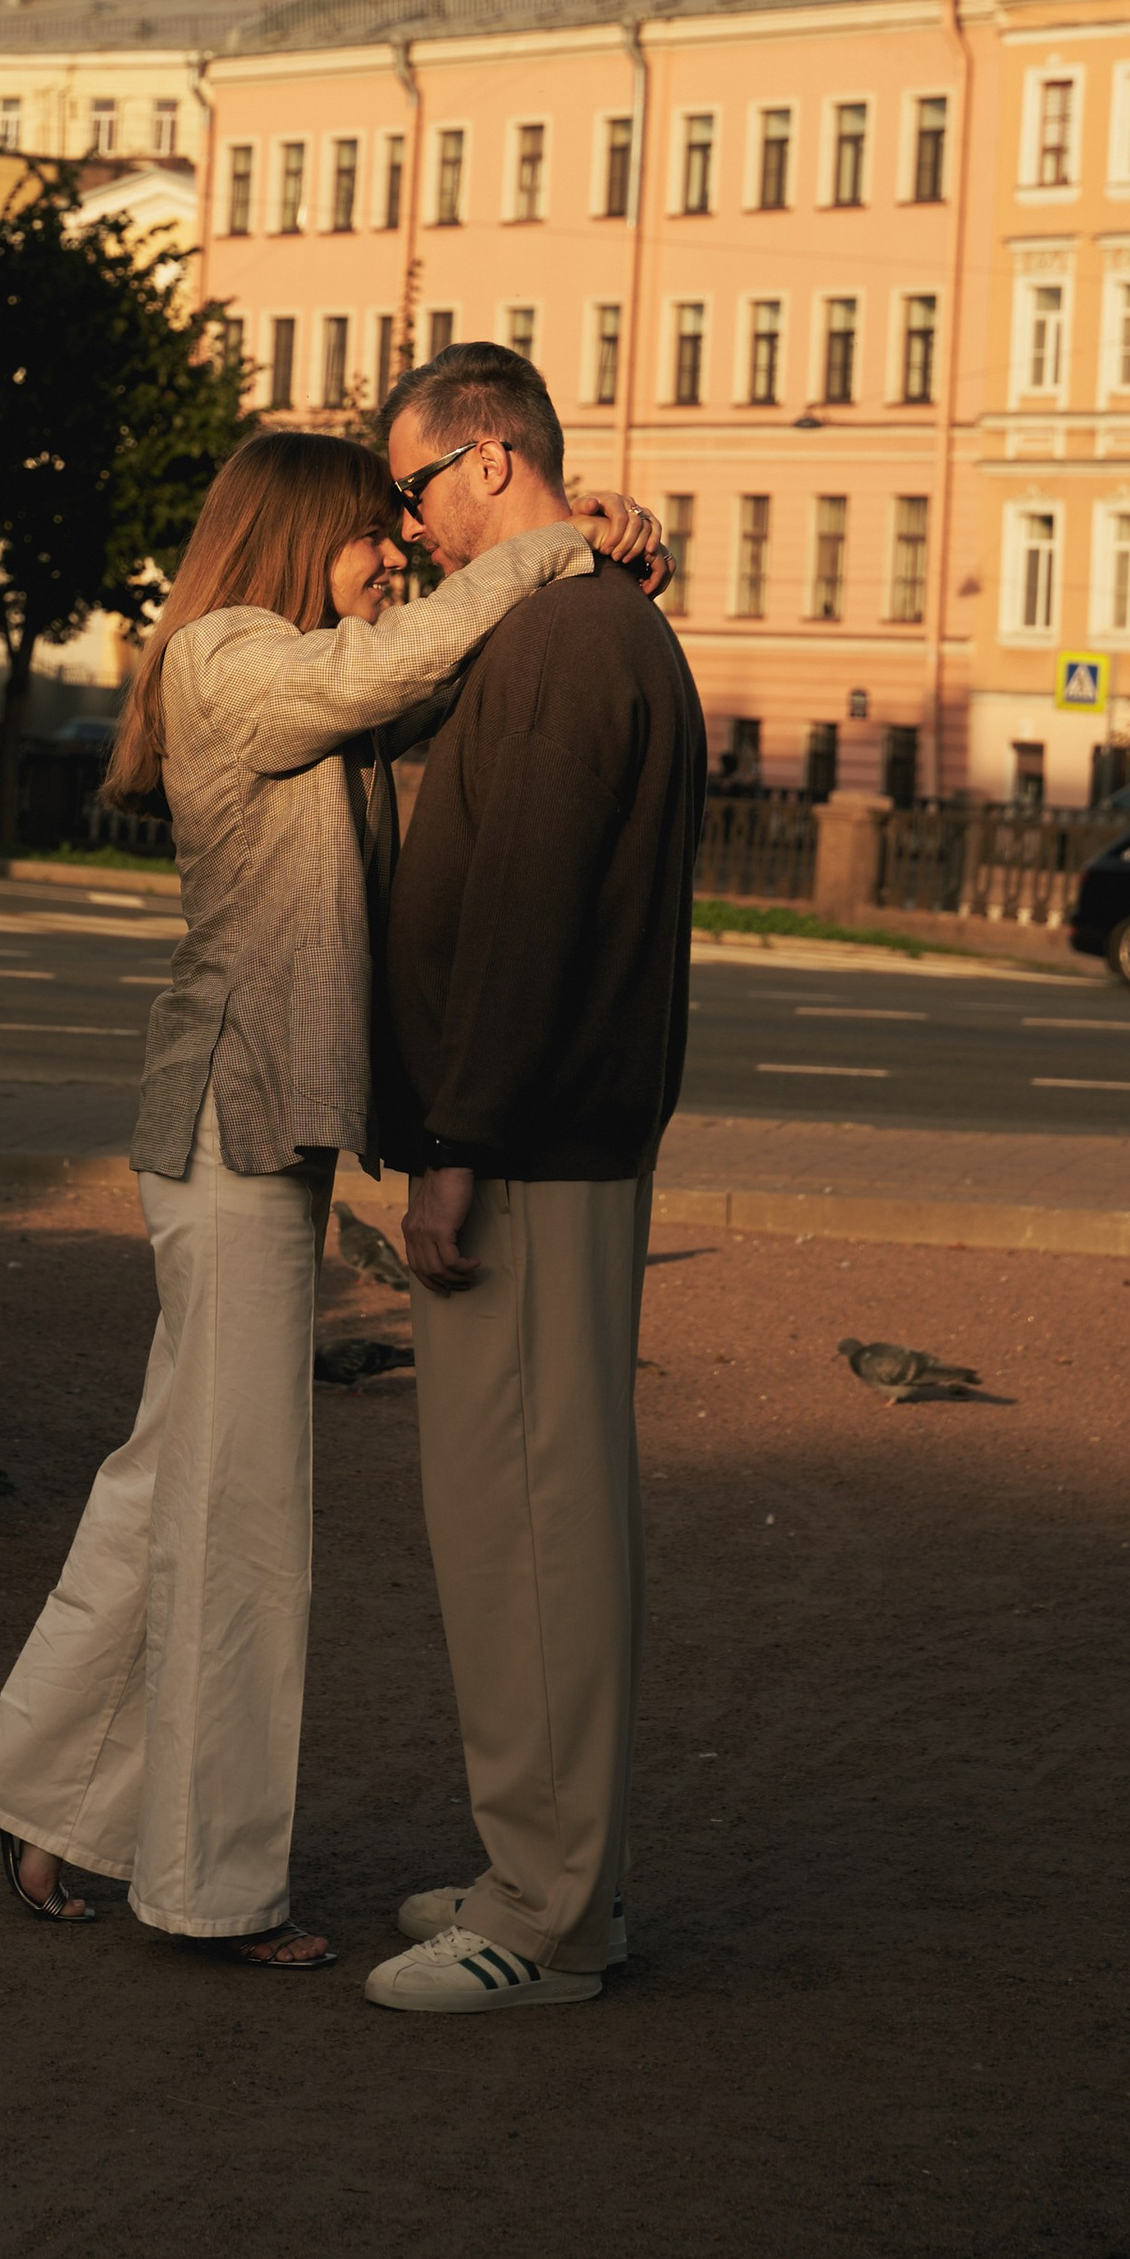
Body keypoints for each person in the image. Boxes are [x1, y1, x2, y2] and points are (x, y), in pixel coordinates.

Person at [0, 423, 663, 1967]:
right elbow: (389, 670)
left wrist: (584, 551)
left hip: (257, 1136)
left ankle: (45, 1797)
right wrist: (555, 541)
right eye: (371, 533)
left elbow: (451, 677)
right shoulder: (229, 655)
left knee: (174, 1484)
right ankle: (208, 1887)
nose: (394, 556)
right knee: (241, 1513)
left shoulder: (313, 657)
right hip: (230, 1134)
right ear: (296, 529)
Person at [363, 340, 704, 2018]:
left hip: (529, 1145)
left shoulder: (567, 640)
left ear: (490, 462)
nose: (411, 527)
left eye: (416, 489)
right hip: (556, 1136)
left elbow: (524, 917)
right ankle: (551, 1875)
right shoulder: (581, 618)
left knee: (529, 1525)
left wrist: (457, 1148)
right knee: (525, 1516)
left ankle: (549, 1916)